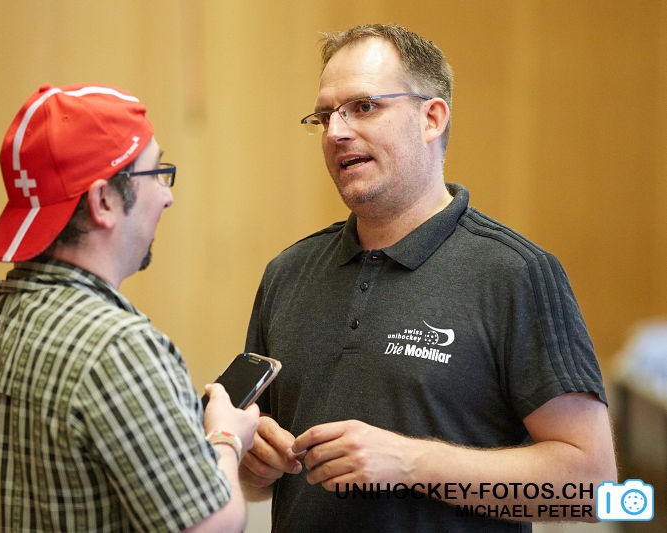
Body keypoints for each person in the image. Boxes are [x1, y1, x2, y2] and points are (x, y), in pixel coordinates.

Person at [239, 24, 617, 531]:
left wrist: (412, 464)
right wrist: (253, 461)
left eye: (364, 107)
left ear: (431, 117)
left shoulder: (515, 273)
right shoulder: (287, 273)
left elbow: (593, 491)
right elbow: (252, 473)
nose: (336, 132)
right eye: (325, 115)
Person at [0, 83, 259, 532]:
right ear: (103, 201)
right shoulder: (119, 350)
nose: (167, 195)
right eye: (155, 173)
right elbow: (210, 526)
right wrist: (225, 438)